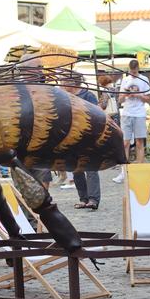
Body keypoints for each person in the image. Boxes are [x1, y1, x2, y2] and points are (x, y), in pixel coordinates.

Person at [64, 76, 101, 210]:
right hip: (71, 136)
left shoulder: (88, 95)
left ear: (72, 82)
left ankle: (93, 199)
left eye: (64, 81)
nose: (62, 84)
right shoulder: (65, 97)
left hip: (87, 136)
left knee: (91, 168)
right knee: (76, 169)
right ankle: (83, 198)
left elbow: (96, 115)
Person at [113, 59, 150, 183]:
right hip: (127, 113)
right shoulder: (125, 80)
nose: (133, 74)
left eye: (135, 72)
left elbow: (148, 99)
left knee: (140, 142)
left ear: (138, 69)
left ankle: (140, 170)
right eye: (131, 72)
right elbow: (120, 100)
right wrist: (126, 95)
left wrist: (138, 95)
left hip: (139, 114)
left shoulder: (144, 80)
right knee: (125, 143)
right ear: (128, 70)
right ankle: (124, 172)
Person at [18, 53, 52, 189]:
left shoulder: (44, 86)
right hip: (21, 140)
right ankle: (27, 208)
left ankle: (43, 207)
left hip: (42, 138)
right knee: (23, 178)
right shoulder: (15, 86)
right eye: (39, 67)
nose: (41, 70)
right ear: (26, 70)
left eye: (41, 67)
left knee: (43, 175)